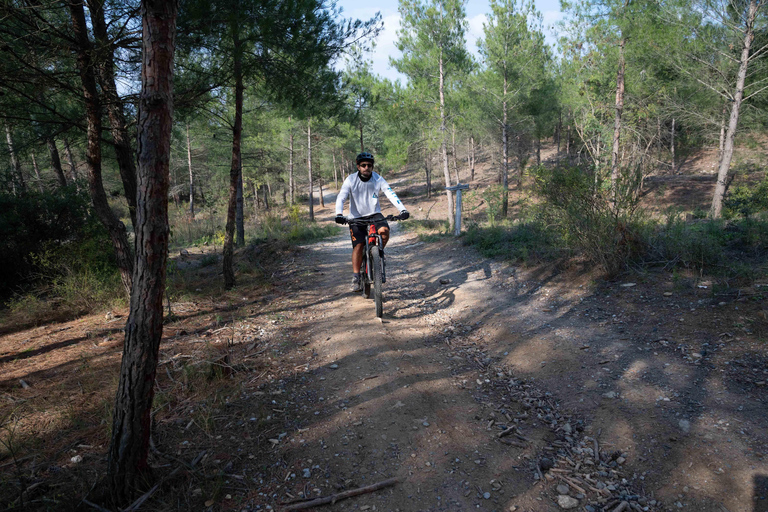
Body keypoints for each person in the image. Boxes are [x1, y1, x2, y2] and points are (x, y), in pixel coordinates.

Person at [335, 152, 409, 291]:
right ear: (358, 166)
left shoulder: (378, 179)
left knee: (384, 231)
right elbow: (341, 197)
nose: (366, 168)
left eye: (369, 165)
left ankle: (377, 254)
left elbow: (391, 194)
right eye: (363, 165)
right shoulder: (350, 180)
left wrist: (403, 210)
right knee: (359, 245)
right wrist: (339, 214)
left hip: (375, 214)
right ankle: (356, 276)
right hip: (356, 216)